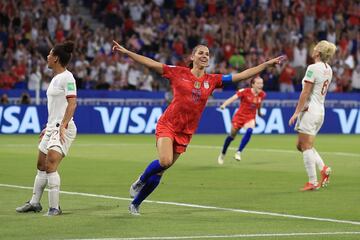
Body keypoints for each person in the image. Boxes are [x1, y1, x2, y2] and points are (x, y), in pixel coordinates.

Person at [112, 40, 284, 215]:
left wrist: (265, 65)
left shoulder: (213, 80)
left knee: (161, 171)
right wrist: (127, 52)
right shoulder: (178, 72)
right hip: (168, 124)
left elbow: (242, 75)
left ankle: (136, 203)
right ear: (192, 57)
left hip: (186, 132)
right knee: (165, 161)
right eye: (201, 53)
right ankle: (141, 180)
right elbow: (150, 63)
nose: (204, 56)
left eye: (207, 54)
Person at [16, 41, 77, 216]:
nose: (47, 57)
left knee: (50, 165)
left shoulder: (68, 77)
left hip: (63, 128)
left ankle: (54, 208)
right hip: (52, 127)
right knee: (41, 164)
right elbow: (57, 107)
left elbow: (72, 104)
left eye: (50, 54)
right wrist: (48, 126)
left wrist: (63, 126)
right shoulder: (56, 78)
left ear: (56, 58)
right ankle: (35, 203)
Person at [289, 40, 336, 191]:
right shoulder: (329, 69)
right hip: (320, 110)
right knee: (301, 145)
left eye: (315, 48)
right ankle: (323, 168)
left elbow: (306, 92)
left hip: (310, 110)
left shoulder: (312, 68)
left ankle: (313, 182)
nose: (313, 49)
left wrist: (296, 112)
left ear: (318, 53)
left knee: (305, 146)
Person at [217, 76, 266, 165]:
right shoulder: (245, 91)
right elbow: (233, 98)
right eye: (258, 83)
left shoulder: (262, 94)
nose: (261, 85)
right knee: (231, 137)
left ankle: (238, 152)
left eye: (261, 83)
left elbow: (259, 105)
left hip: (250, 118)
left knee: (250, 130)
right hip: (239, 117)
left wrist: (259, 113)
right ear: (253, 84)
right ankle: (223, 153)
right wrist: (224, 105)